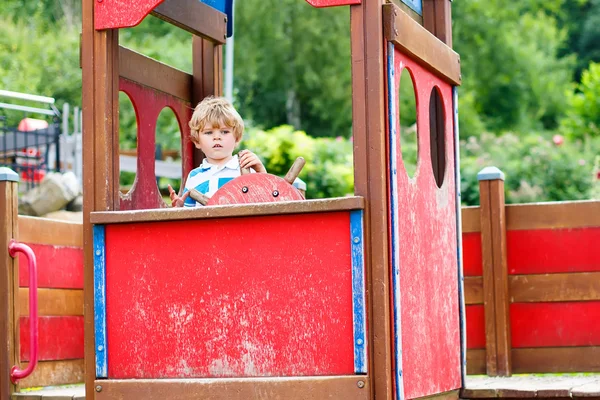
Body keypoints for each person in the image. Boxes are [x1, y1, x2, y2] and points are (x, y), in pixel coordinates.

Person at [168, 97, 266, 207]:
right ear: (197, 141)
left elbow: (268, 202)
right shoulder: (194, 177)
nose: (217, 137)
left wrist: (261, 172)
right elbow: (189, 216)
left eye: (224, 132)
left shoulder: (246, 169)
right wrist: (179, 208)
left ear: (237, 138)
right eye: (209, 133)